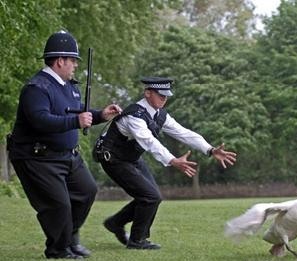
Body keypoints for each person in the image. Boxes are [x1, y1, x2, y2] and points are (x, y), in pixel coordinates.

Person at [8, 30, 122, 259]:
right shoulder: (36, 88)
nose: (76, 66)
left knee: (86, 191)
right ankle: (58, 250)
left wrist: (101, 115)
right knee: (59, 205)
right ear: (60, 61)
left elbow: (77, 113)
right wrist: (76, 121)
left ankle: (70, 239)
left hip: (67, 155)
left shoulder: (69, 86)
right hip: (37, 157)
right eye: (73, 61)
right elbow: (40, 120)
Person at [98, 76, 237, 250]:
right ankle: (137, 241)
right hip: (113, 159)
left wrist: (210, 149)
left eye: (166, 95)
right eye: (160, 95)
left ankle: (115, 223)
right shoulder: (135, 116)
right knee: (150, 197)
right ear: (148, 93)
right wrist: (172, 160)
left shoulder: (159, 115)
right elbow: (149, 142)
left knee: (152, 197)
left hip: (131, 158)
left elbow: (183, 133)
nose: (164, 98)